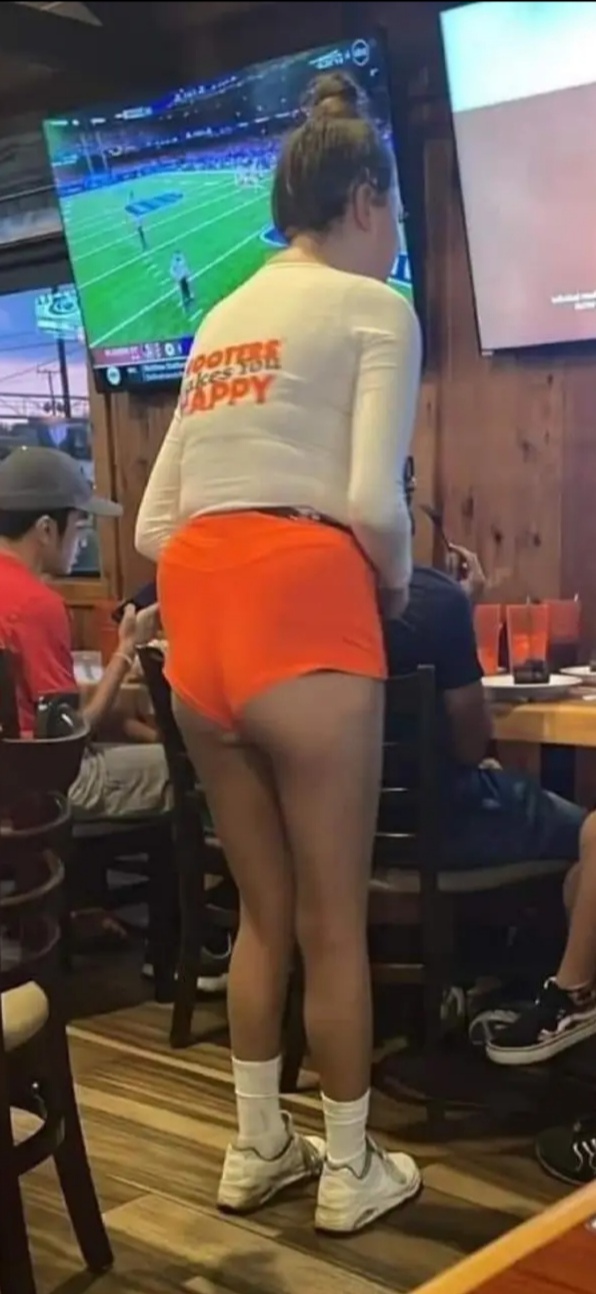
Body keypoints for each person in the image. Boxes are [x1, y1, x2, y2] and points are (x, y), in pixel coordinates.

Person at [136, 70, 422, 1233]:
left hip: (197, 614)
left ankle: (256, 1147)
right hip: (303, 601)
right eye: (393, 212)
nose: (394, 236)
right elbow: (372, 503)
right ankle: (350, 1169)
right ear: (364, 199)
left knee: (259, 912)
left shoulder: (220, 317)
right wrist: (389, 584)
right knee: (331, 920)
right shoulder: (374, 308)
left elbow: (152, 525)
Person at [385, 478, 596, 1066]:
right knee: (584, 832)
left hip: (340, 837)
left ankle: (490, 980)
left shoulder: (315, 600)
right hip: (445, 827)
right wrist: (459, 607)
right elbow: (469, 740)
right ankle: (547, 989)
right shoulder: (432, 597)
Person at [0, 446, 170, 820]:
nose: (82, 542)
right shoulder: (34, 604)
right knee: (188, 769)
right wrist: (127, 648)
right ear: (46, 530)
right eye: (79, 526)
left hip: (13, 777)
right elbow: (68, 739)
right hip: (39, 785)